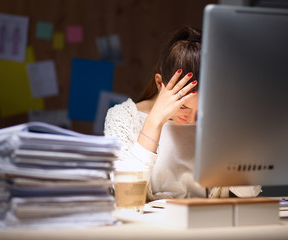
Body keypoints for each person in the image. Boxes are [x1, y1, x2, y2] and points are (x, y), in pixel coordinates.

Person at [104, 26, 262, 201]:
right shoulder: (122, 117)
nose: (193, 119)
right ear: (159, 83)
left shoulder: (216, 120)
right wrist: (155, 121)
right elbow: (126, 195)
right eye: (184, 107)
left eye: (201, 109)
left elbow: (250, 192)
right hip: (150, 227)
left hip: (205, 224)